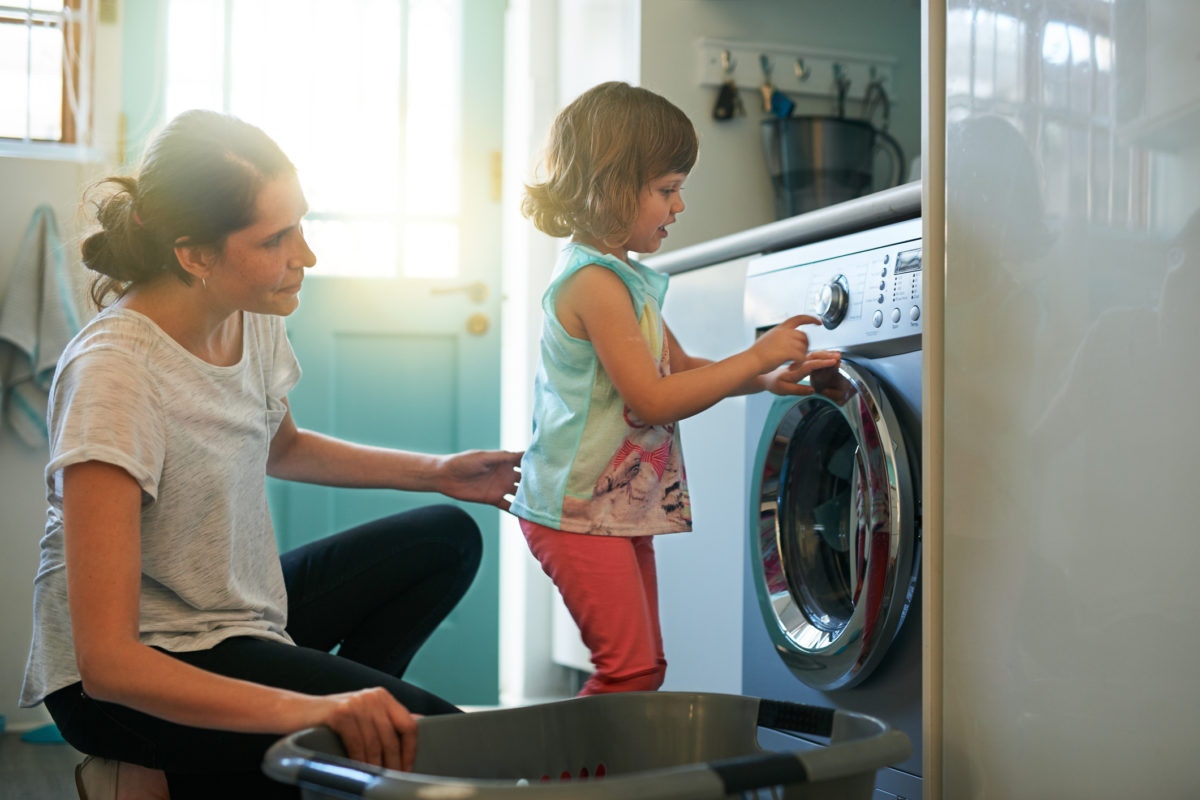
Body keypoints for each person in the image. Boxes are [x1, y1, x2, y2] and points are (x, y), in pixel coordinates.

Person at [17, 109, 522, 800]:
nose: (305, 256)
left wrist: (437, 473)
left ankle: (321, 753)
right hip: (127, 681)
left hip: (234, 619)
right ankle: (295, 745)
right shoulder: (115, 376)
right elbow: (107, 663)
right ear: (193, 254)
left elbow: (284, 447)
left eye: (301, 225)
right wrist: (320, 708)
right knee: (438, 740)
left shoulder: (248, 315)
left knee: (444, 539)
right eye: (276, 238)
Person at [509, 81, 841, 696]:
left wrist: (765, 376)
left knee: (644, 670)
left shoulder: (626, 278)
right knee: (630, 671)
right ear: (610, 187)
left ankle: (603, 783)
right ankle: (561, 786)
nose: (679, 206)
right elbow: (652, 400)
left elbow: (677, 365)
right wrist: (753, 355)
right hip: (575, 508)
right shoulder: (594, 284)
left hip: (611, 505)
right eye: (666, 190)